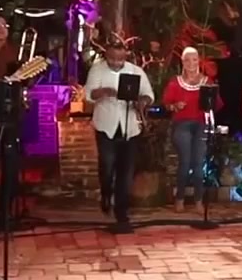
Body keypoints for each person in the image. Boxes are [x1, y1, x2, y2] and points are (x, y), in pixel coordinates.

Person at [84, 35, 154, 228]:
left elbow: (149, 94)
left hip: (129, 127)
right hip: (106, 125)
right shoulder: (97, 70)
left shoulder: (136, 71)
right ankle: (106, 194)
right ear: (106, 56)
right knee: (107, 166)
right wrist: (104, 91)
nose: (116, 62)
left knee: (126, 171)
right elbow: (88, 95)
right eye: (112, 59)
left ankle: (121, 210)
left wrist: (142, 101)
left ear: (125, 56)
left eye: (120, 59)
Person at [160, 47, 221, 211]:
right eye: (187, 60)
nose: (191, 63)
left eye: (194, 60)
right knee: (185, 162)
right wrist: (175, 106)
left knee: (199, 163)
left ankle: (199, 200)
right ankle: (180, 198)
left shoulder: (207, 81)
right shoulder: (175, 82)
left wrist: (211, 98)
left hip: (201, 124)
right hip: (182, 124)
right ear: (183, 62)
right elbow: (166, 104)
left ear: (198, 62)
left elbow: (217, 104)